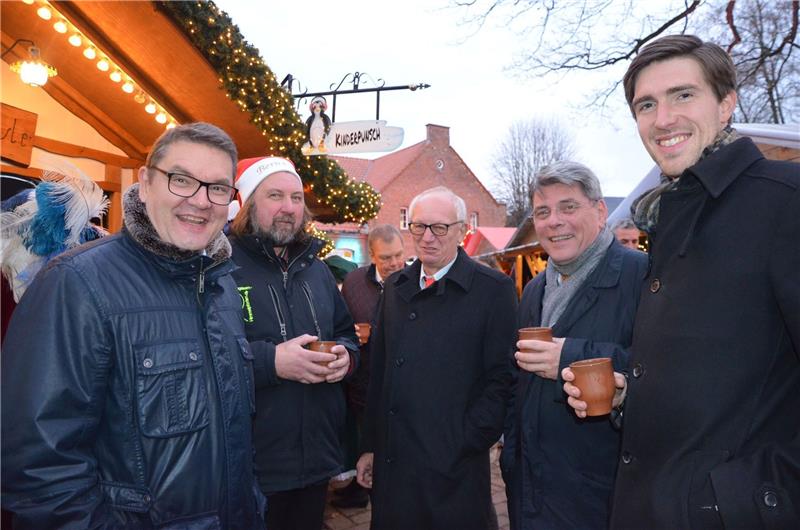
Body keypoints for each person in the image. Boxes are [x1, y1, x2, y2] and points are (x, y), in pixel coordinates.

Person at [562, 35, 800, 528]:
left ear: (727, 103)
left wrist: (756, 497)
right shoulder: (669, 214)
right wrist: (632, 397)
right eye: (646, 105)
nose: (663, 118)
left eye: (683, 95)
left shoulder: (784, 202)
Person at [0, 122, 265, 529]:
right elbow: (39, 467)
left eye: (217, 188)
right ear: (145, 182)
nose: (200, 201)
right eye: (181, 180)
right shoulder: (76, 283)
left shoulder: (222, 285)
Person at [357, 186, 518, 530]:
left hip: (452, 473)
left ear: (462, 230)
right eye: (419, 227)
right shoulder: (396, 287)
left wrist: (463, 442)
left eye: (440, 228)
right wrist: (370, 445)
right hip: (394, 467)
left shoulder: (493, 290)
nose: (428, 237)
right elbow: (380, 373)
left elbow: (502, 381)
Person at [501, 161, 648, 529]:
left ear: (599, 212)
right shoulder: (534, 289)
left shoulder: (641, 276)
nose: (554, 221)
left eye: (568, 207)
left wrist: (569, 356)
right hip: (531, 492)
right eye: (542, 212)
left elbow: (668, 372)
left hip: (602, 498)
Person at [227, 156, 359, 530]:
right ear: (248, 203)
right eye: (275, 196)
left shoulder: (317, 270)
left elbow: (346, 334)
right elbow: (204, 354)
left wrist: (345, 358)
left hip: (315, 462)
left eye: (297, 197)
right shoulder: (220, 267)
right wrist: (271, 362)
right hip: (251, 466)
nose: (289, 207)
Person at [333, 224, 405, 509]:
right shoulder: (353, 283)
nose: (394, 263)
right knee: (370, 459)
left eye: (399, 255)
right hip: (364, 390)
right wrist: (351, 333)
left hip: (402, 390)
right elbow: (339, 325)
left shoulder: (415, 282)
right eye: (386, 257)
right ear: (372, 255)